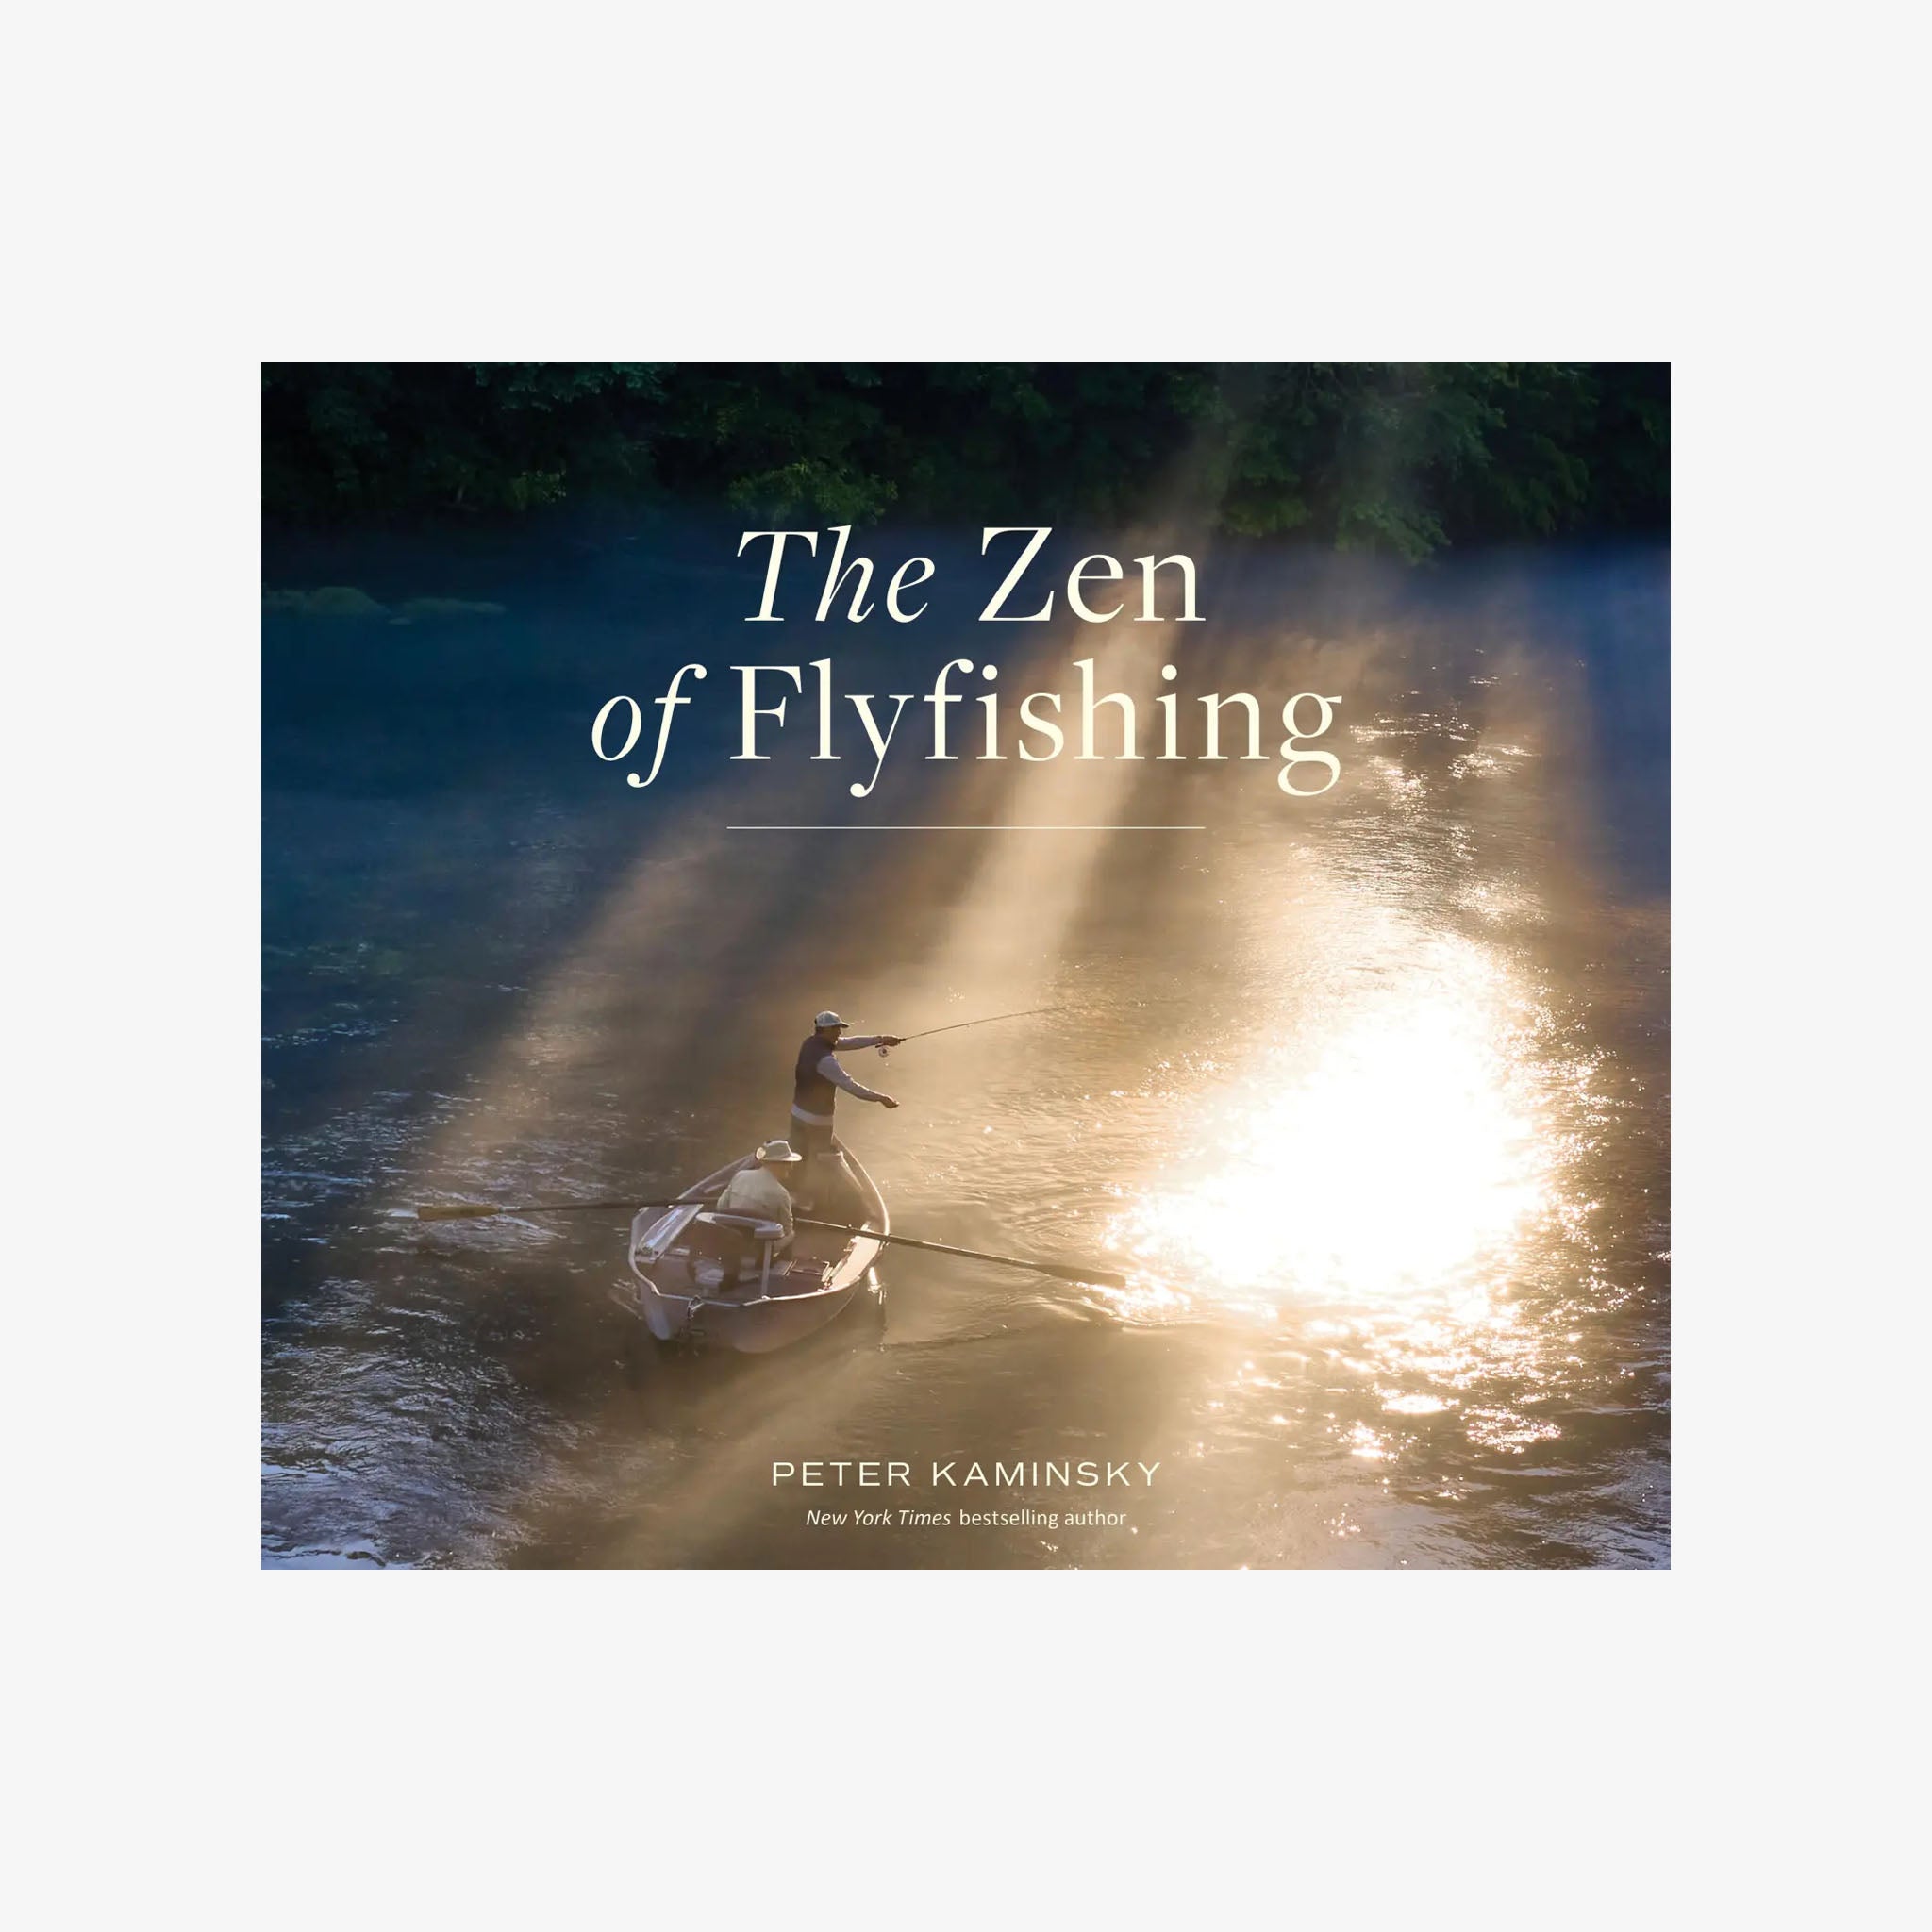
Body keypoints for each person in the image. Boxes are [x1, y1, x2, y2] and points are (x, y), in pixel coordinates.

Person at [791, 1008, 902, 1205]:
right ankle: (814, 1201)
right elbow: (851, 1086)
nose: (840, 1033)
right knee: (821, 1161)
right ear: (825, 1030)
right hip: (818, 1121)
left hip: (797, 1114)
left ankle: (792, 1190)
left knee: (798, 1155)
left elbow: (849, 1043)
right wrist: (881, 1098)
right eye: (836, 1029)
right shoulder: (826, 1060)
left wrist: (881, 1039)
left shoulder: (810, 1043)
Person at [710, 1138, 805, 1284]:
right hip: (757, 1245)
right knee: (792, 1234)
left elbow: (721, 1207)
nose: (791, 1167)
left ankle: (737, 1261)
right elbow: (786, 1229)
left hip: (731, 1238)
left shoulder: (740, 1175)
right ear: (779, 1165)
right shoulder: (781, 1193)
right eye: (788, 1163)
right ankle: (775, 1272)